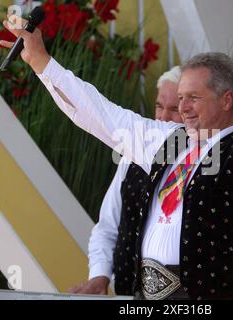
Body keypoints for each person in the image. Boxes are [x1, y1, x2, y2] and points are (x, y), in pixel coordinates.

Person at [0, 19, 233, 300]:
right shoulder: (168, 139)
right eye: (180, 97)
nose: (183, 108)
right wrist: (41, 62)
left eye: (193, 98)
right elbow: (101, 115)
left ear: (226, 99)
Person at [68, 66, 183, 296]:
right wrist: (99, 277)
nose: (163, 117)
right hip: (125, 293)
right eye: (159, 106)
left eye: (174, 109)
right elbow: (107, 228)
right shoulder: (130, 159)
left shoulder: (204, 164)